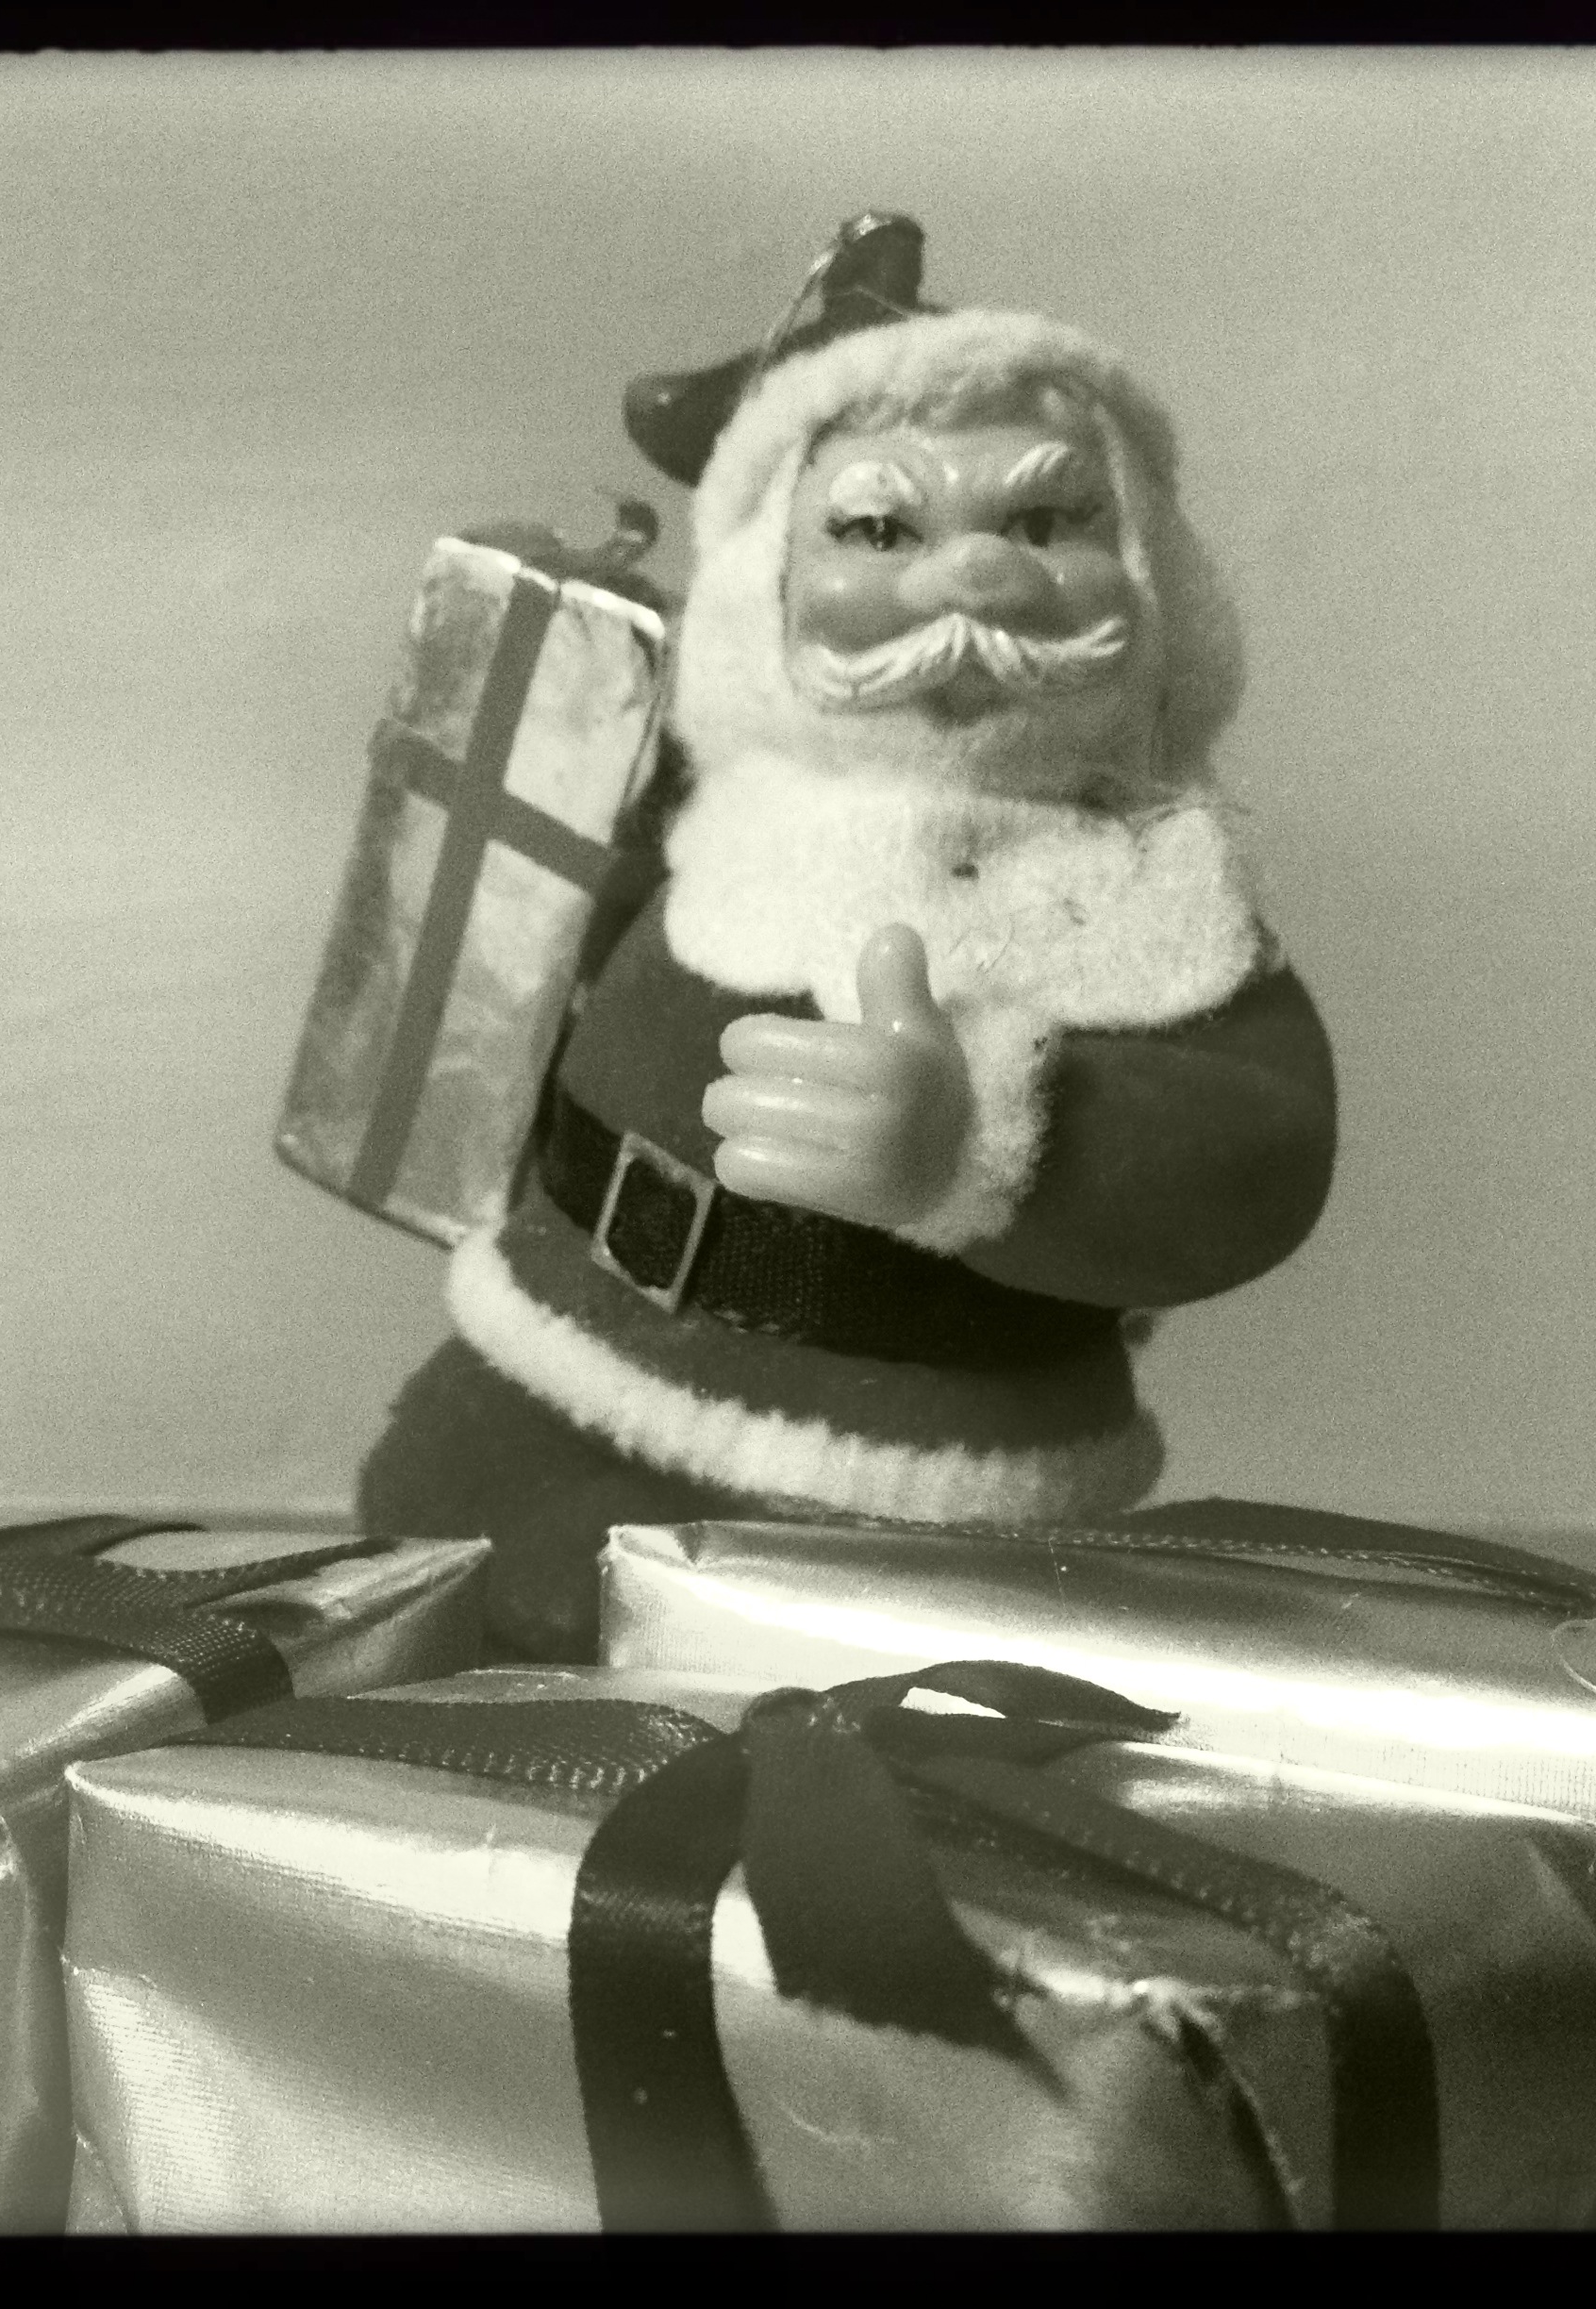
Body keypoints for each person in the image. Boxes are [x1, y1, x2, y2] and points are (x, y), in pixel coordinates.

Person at [359, 223, 1337, 1662]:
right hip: (550, 1358)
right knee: (420, 1576)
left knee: (815, 1700)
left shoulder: (1150, 888)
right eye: (881, 531)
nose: (976, 576)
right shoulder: (701, 799)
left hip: (907, 1475)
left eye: (1046, 522)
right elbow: (526, 941)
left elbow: (1259, 1154)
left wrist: (976, 1141)